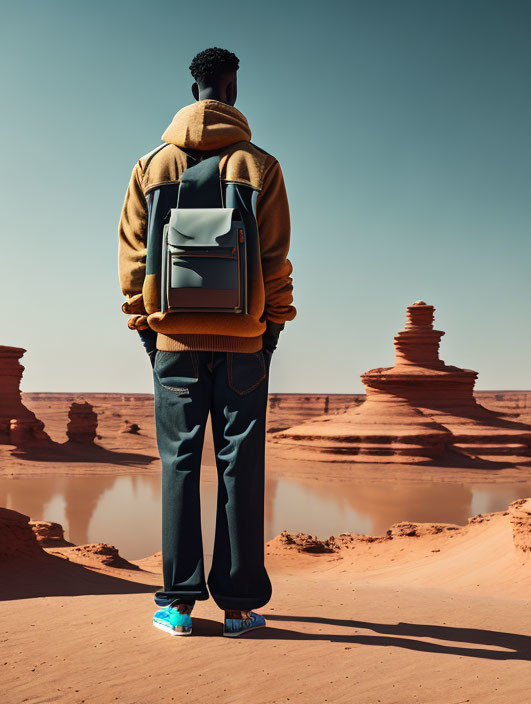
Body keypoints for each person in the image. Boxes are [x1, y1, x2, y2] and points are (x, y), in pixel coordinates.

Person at [118, 47, 295, 637]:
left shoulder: (149, 166)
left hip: (173, 339)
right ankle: (239, 607)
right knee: (240, 465)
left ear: (193, 87)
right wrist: (271, 327)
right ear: (232, 87)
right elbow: (274, 260)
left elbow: (132, 256)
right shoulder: (261, 166)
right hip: (245, 340)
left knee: (179, 464)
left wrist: (148, 323)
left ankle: (177, 603)